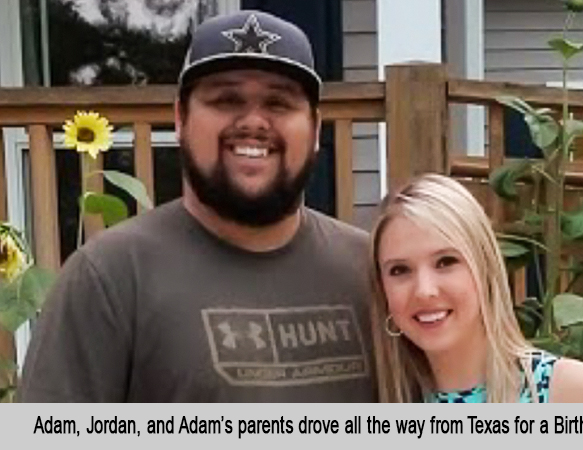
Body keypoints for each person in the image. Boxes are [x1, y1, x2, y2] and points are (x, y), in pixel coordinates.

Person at [18, 10, 376, 402]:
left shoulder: (372, 271)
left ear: (315, 128)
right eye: (225, 99)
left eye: (279, 102)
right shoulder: (109, 278)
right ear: (180, 118)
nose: (254, 121)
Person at [369, 173, 583, 403]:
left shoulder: (566, 392)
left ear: (485, 267)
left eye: (445, 262)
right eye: (400, 270)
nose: (424, 290)